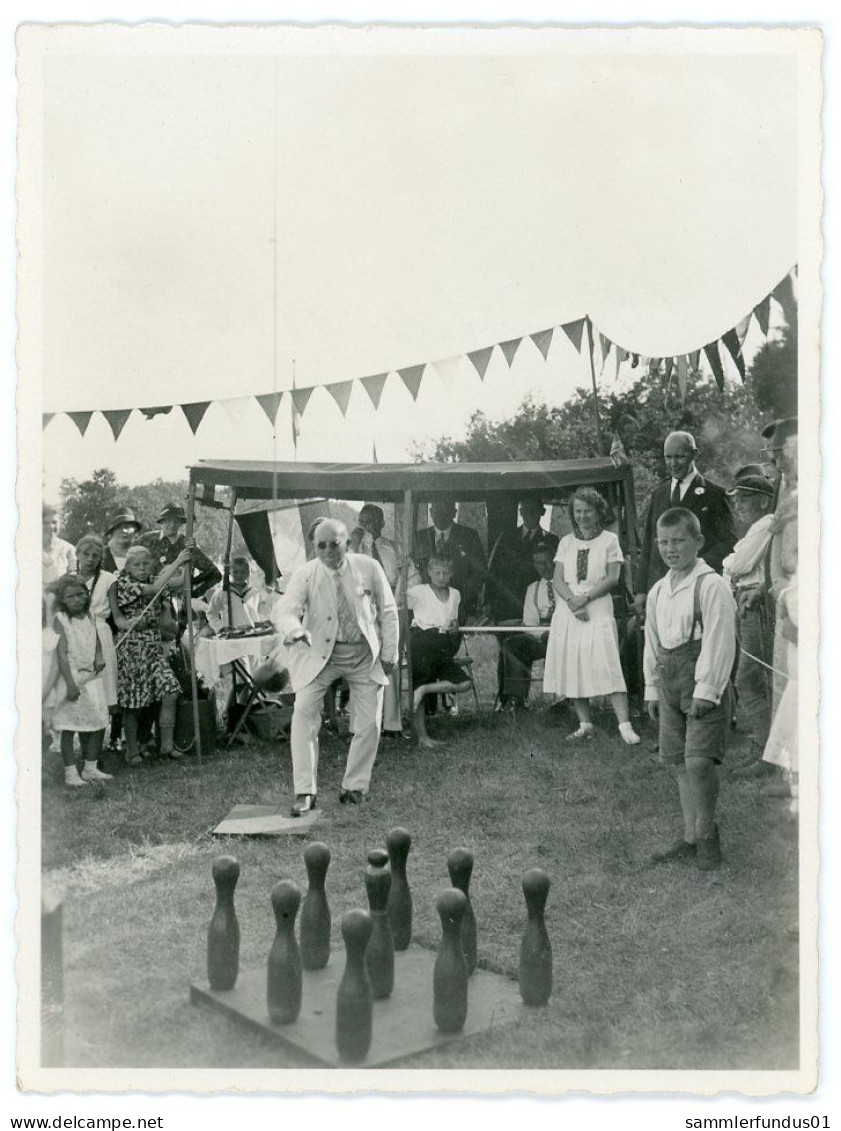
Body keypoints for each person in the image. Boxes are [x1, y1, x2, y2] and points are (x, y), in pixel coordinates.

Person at [270, 518, 399, 816]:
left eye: (334, 544)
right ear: (314, 547)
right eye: (321, 546)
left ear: (348, 544)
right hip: (319, 655)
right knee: (303, 713)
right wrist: (294, 630)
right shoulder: (305, 574)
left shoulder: (369, 567)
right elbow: (285, 609)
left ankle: (354, 787)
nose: (328, 551)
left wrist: (389, 652)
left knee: (369, 723)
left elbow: (389, 612)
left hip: (363, 654)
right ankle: (305, 791)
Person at [644, 508, 737, 871]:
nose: (671, 549)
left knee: (699, 761)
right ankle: (690, 837)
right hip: (668, 681)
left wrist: (708, 688)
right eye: (664, 542)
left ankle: (708, 830)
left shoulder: (711, 585)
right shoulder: (658, 591)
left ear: (697, 542)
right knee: (680, 764)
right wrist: (651, 688)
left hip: (701, 681)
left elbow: (720, 639)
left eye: (679, 541)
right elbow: (652, 642)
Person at [543, 487, 640, 744]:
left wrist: (585, 599)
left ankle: (624, 725)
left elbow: (613, 577)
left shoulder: (609, 540)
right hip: (569, 610)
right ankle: (585, 724)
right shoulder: (566, 542)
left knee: (607, 662)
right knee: (574, 664)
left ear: (599, 512)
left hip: (597, 607)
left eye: (588, 511)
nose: (583, 516)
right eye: (578, 511)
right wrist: (573, 604)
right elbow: (557, 579)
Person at [108, 543, 193, 766]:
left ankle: (166, 746)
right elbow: (155, 590)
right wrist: (177, 561)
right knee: (134, 704)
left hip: (154, 649)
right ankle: (132, 750)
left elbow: (175, 584)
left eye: (146, 563)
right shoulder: (124, 584)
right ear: (127, 567)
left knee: (170, 691)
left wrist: (185, 562)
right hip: (132, 650)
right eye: (137, 564)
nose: (143, 568)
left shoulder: (153, 580)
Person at [634, 431, 736, 616]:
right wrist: (641, 589)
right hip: (661, 586)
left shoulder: (714, 494)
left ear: (694, 454)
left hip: (697, 587)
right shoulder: (659, 494)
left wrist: (694, 567)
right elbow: (649, 542)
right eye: (668, 457)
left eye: (680, 457)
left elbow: (728, 543)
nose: (673, 464)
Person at [721, 476, 776, 775]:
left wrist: (732, 565)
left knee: (749, 678)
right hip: (746, 600)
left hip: (756, 604)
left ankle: (768, 753)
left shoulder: (766, 522)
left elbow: (737, 565)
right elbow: (734, 562)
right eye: (736, 499)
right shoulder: (756, 528)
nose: (738, 504)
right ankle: (764, 748)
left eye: (745, 498)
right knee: (753, 678)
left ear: (763, 500)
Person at [46, 574, 112, 787]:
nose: (77, 600)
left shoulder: (91, 616)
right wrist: (70, 684)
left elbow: (97, 641)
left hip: (91, 677)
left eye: (81, 595)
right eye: (71, 596)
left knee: (98, 722)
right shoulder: (61, 620)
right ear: (63, 599)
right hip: (71, 678)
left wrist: (99, 656)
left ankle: (90, 768)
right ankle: (70, 772)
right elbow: (62, 654)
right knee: (69, 726)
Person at [350, 504, 404, 737]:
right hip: (362, 607)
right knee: (362, 664)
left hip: (389, 604)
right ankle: (361, 725)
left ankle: (391, 724)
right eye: (362, 521)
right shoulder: (353, 548)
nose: (366, 526)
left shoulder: (392, 548)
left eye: (371, 521)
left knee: (390, 659)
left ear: (381, 523)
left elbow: (402, 576)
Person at [406, 556, 472, 748]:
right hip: (422, 642)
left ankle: (424, 689)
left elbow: (451, 620)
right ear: (429, 572)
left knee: (465, 683)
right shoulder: (419, 592)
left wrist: (455, 625)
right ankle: (423, 738)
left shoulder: (455, 594)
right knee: (420, 677)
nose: (441, 577)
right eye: (437, 572)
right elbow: (396, 602)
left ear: (451, 573)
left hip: (443, 645)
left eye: (445, 573)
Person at [496, 545, 556, 711]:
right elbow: (530, 623)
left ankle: (568, 698)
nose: (544, 567)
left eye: (547, 561)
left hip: (565, 636)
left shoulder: (567, 583)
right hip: (542, 637)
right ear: (534, 566)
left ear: (555, 560)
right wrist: (543, 634)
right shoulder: (533, 589)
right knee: (513, 644)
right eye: (538, 563)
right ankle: (517, 700)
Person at [413, 498, 487, 619]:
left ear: (454, 512)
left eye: (445, 511)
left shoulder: (469, 536)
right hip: (426, 608)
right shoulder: (419, 538)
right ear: (431, 512)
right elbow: (414, 571)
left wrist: (460, 598)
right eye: (436, 511)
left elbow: (481, 573)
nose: (440, 516)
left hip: (461, 608)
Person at [486, 499, 559, 621]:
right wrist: (488, 600)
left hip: (537, 602)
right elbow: (494, 569)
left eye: (534, 511)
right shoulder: (506, 537)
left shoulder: (551, 540)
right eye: (525, 510)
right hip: (507, 603)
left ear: (542, 512)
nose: (529, 514)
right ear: (520, 512)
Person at [137, 502, 221, 600]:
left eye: (176, 521)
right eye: (168, 520)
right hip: (148, 599)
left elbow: (215, 575)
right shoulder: (146, 540)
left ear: (181, 523)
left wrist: (193, 591)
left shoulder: (188, 546)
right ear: (162, 522)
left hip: (177, 603)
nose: (172, 524)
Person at [74, 534, 119, 715]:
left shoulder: (108, 579)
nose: (90, 559)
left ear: (101, 558)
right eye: (86, 554)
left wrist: (130, 623)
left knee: (102, 692)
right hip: (75, 634)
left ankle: (103, 738)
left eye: (95, 555)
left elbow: (117, 616)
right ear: (77, 554)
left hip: (101, 633)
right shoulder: (68, 579)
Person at [207, 556, 256, 633]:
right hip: (232, 635)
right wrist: (221, 628)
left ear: (248, 573)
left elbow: (255, 614)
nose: (239, 575)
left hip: (251, 633)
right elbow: (211, 613)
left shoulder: (253, 592)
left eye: (243, 572)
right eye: (235, 572)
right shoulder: (222, 593)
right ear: (230, 572)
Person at [42, 504, 76, 589]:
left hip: (60, 598)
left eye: (54, 522)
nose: (51, 526)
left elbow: (74, 582)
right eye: (45, 523)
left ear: (60, 523)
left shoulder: (69, 549)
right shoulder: (29, 549)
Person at [102, 507, 142, 573]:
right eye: (118, 528)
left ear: (135, 531)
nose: (123, 531)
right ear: (112, 532)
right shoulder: (101, 556)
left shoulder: (141, 554)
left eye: (128, 527)